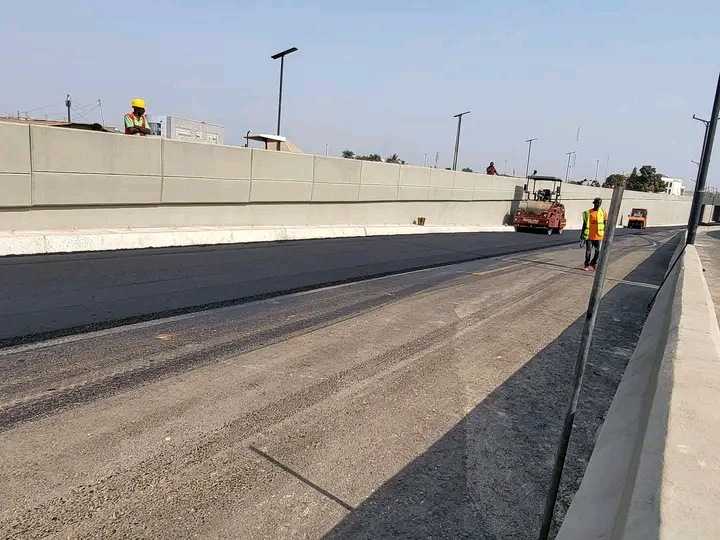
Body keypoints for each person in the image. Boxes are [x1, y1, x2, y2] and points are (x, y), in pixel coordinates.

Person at [581, 197, 607, 271]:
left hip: (599, 236)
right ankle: (586, 265)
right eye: (597, 203)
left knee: (598, 251)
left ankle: (593, 263)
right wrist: (582, 234)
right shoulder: (588, 212)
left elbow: (605, 224)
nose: (598, 204)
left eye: (600, 203)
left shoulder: (603, 212)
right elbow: (584, 224)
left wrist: (605, 234)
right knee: (588, 251)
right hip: (589, 235)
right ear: (594, 203)